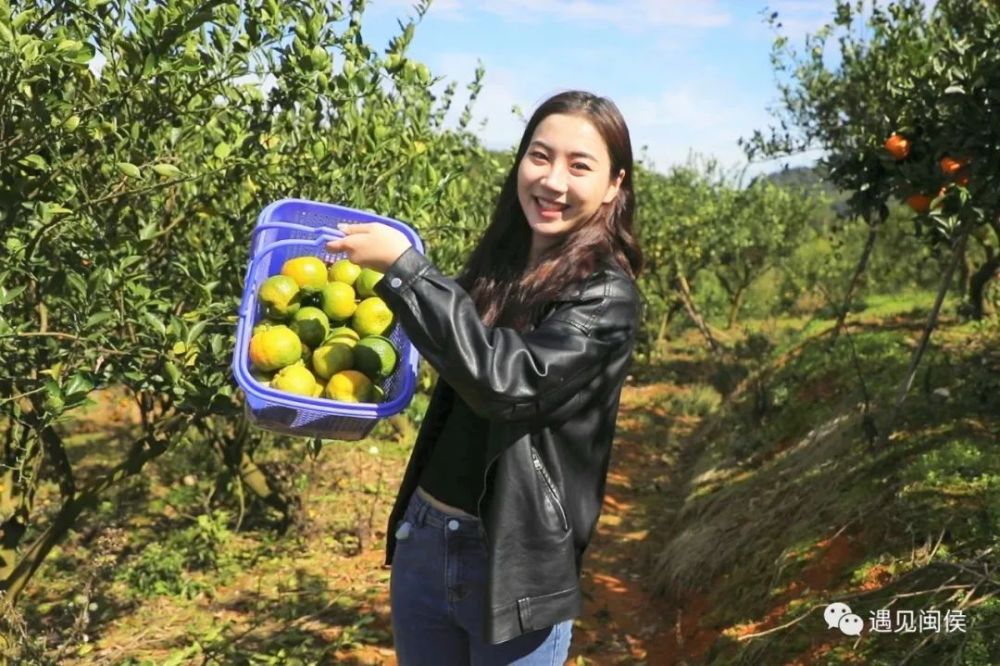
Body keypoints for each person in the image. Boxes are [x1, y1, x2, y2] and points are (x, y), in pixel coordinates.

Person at [325, 89, 643, 665]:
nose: (553, 181)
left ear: (615, 184)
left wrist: (408, 273)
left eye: (580, 165)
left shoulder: (607, 296)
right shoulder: (501, 262)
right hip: (425, 535)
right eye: (539, 156)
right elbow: (462, 363)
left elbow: (507, 382)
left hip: (512, 563)